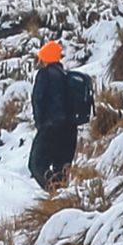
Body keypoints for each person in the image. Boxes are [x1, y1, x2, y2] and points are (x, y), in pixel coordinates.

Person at [29, 40, 78, 190]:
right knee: (61, 170)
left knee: (36, 165)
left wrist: (40, 125)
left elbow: (38, 101)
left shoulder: (44, 75)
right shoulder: (67, 77)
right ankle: (63, 201)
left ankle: (54, 192)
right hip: (70, 130)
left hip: (51, 129)